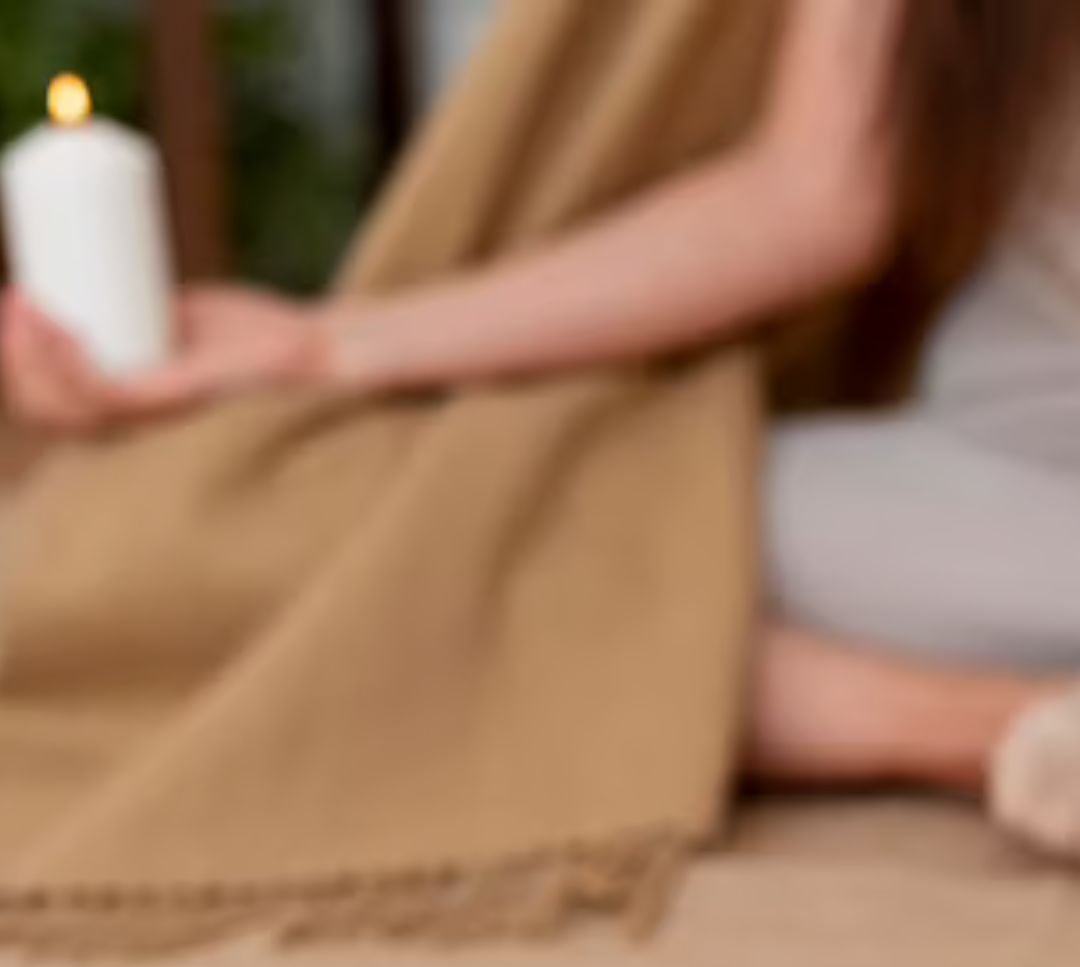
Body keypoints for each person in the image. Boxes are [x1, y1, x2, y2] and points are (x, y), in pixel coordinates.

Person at [5, 0, 1080, 857]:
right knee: (417, 530)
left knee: (510, 565)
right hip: (984, 467)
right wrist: (324, 349)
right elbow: (809, 197)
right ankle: (988, 725)